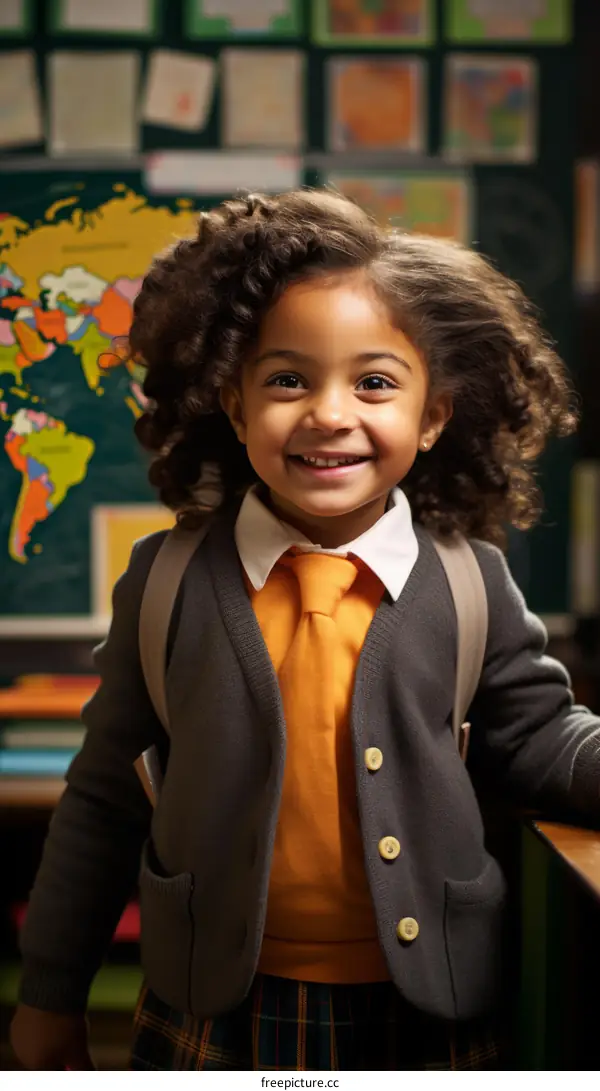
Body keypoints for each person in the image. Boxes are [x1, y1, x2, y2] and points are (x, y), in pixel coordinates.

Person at [10, 189, 600, 1072]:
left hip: (426, 1005)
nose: (329, 412)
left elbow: (541, 737)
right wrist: (49, 1002)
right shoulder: (168, 580)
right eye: (288, 378)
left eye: (374, 382)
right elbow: (100, 802)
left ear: (433, 415)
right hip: (217, 1008)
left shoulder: (469, 579)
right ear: (235, 405)